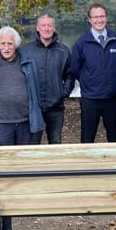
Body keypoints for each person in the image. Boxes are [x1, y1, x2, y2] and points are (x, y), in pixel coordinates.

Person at [70, 3, 116, 143]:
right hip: (90, 99)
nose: (99, 20)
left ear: (106, 18)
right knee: (87, 139)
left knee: (114, 139)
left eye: (102, 16)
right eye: (95, 17)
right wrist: (88, 81)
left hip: (114, 98)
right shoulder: (81, 42)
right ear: (90, 19)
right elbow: (75, 68)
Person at [0, 26, 44, 146]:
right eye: (3, 43)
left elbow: (36, 88)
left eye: (10, 43)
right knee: (4, 157)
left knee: (23, 156)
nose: (6, 48)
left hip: (25, 121)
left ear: (16, 45)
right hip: (1, 123)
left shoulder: (28, 62)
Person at [19, 14, 74, 144]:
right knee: (33, 144)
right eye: (43, 25)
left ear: (54, 28)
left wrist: (64, 92)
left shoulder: (63, 51)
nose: (47, 28)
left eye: (50, 25)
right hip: (33, 107)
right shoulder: (25, 51)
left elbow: (70, 75)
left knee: (55, 142)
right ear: (38, 28)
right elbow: (19, 76)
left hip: (55, 107)